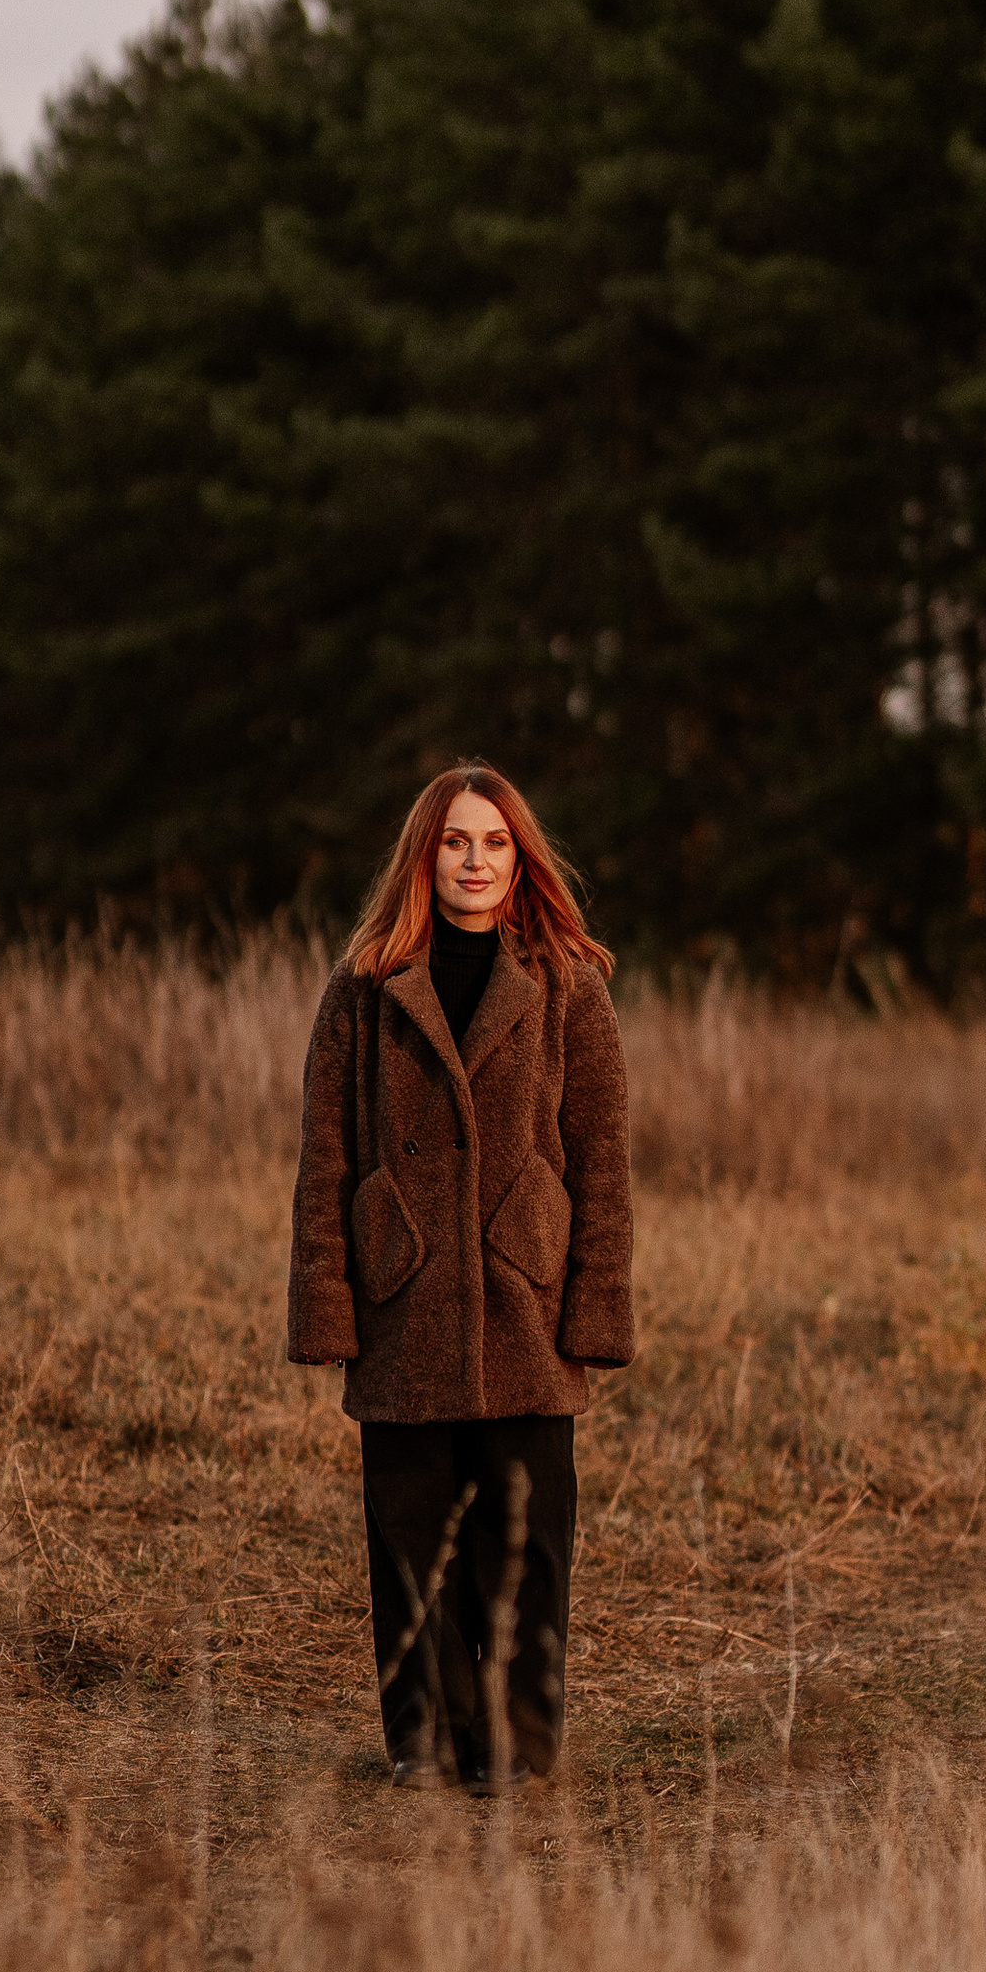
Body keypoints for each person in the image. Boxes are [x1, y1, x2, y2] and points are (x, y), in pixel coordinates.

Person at [287, 763, 634, 1789]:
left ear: (518, 857)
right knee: (412, 1546)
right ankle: (426, 1746)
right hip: (404, 1300)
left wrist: (595, 1304)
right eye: (453, 842)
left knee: (524, 1549)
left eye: (492, 843)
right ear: (421, 857)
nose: (474, 861)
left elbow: (602, 1159)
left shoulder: (568, 984)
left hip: (525, 1298)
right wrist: (328, 1300)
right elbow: (325, 1160)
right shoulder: (361, 990)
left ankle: (518, 1751)